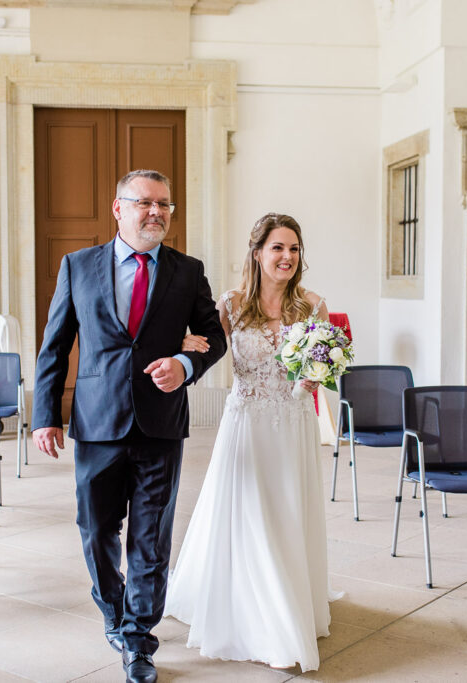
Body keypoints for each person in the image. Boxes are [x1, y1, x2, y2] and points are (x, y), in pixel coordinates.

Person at [31, 169, 226, 683]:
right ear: (118, 208)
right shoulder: (78, 266)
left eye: (164, 205)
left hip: (161, 422)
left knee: (150, 536)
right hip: (97, 421)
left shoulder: (188, 272)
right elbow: (54, 347)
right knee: (96, 530)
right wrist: (45, 415)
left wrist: (184, 367)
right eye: (144, 203)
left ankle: (139, 638)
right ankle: (113, 611)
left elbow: (213, 336)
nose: (156, 212)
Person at [164, 213, 340, 672]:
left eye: (294, 249)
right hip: (247, 424)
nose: (286, 257)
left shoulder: (312, 307)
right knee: (251, 514)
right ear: (257, 252)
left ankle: (290, 604)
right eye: (277, 248)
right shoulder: (232, 304)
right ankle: (262, 616)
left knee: (286, 513)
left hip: (295, 425)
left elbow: (321, 369)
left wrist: (313, 379)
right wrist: (180, 345)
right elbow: (202, 345)